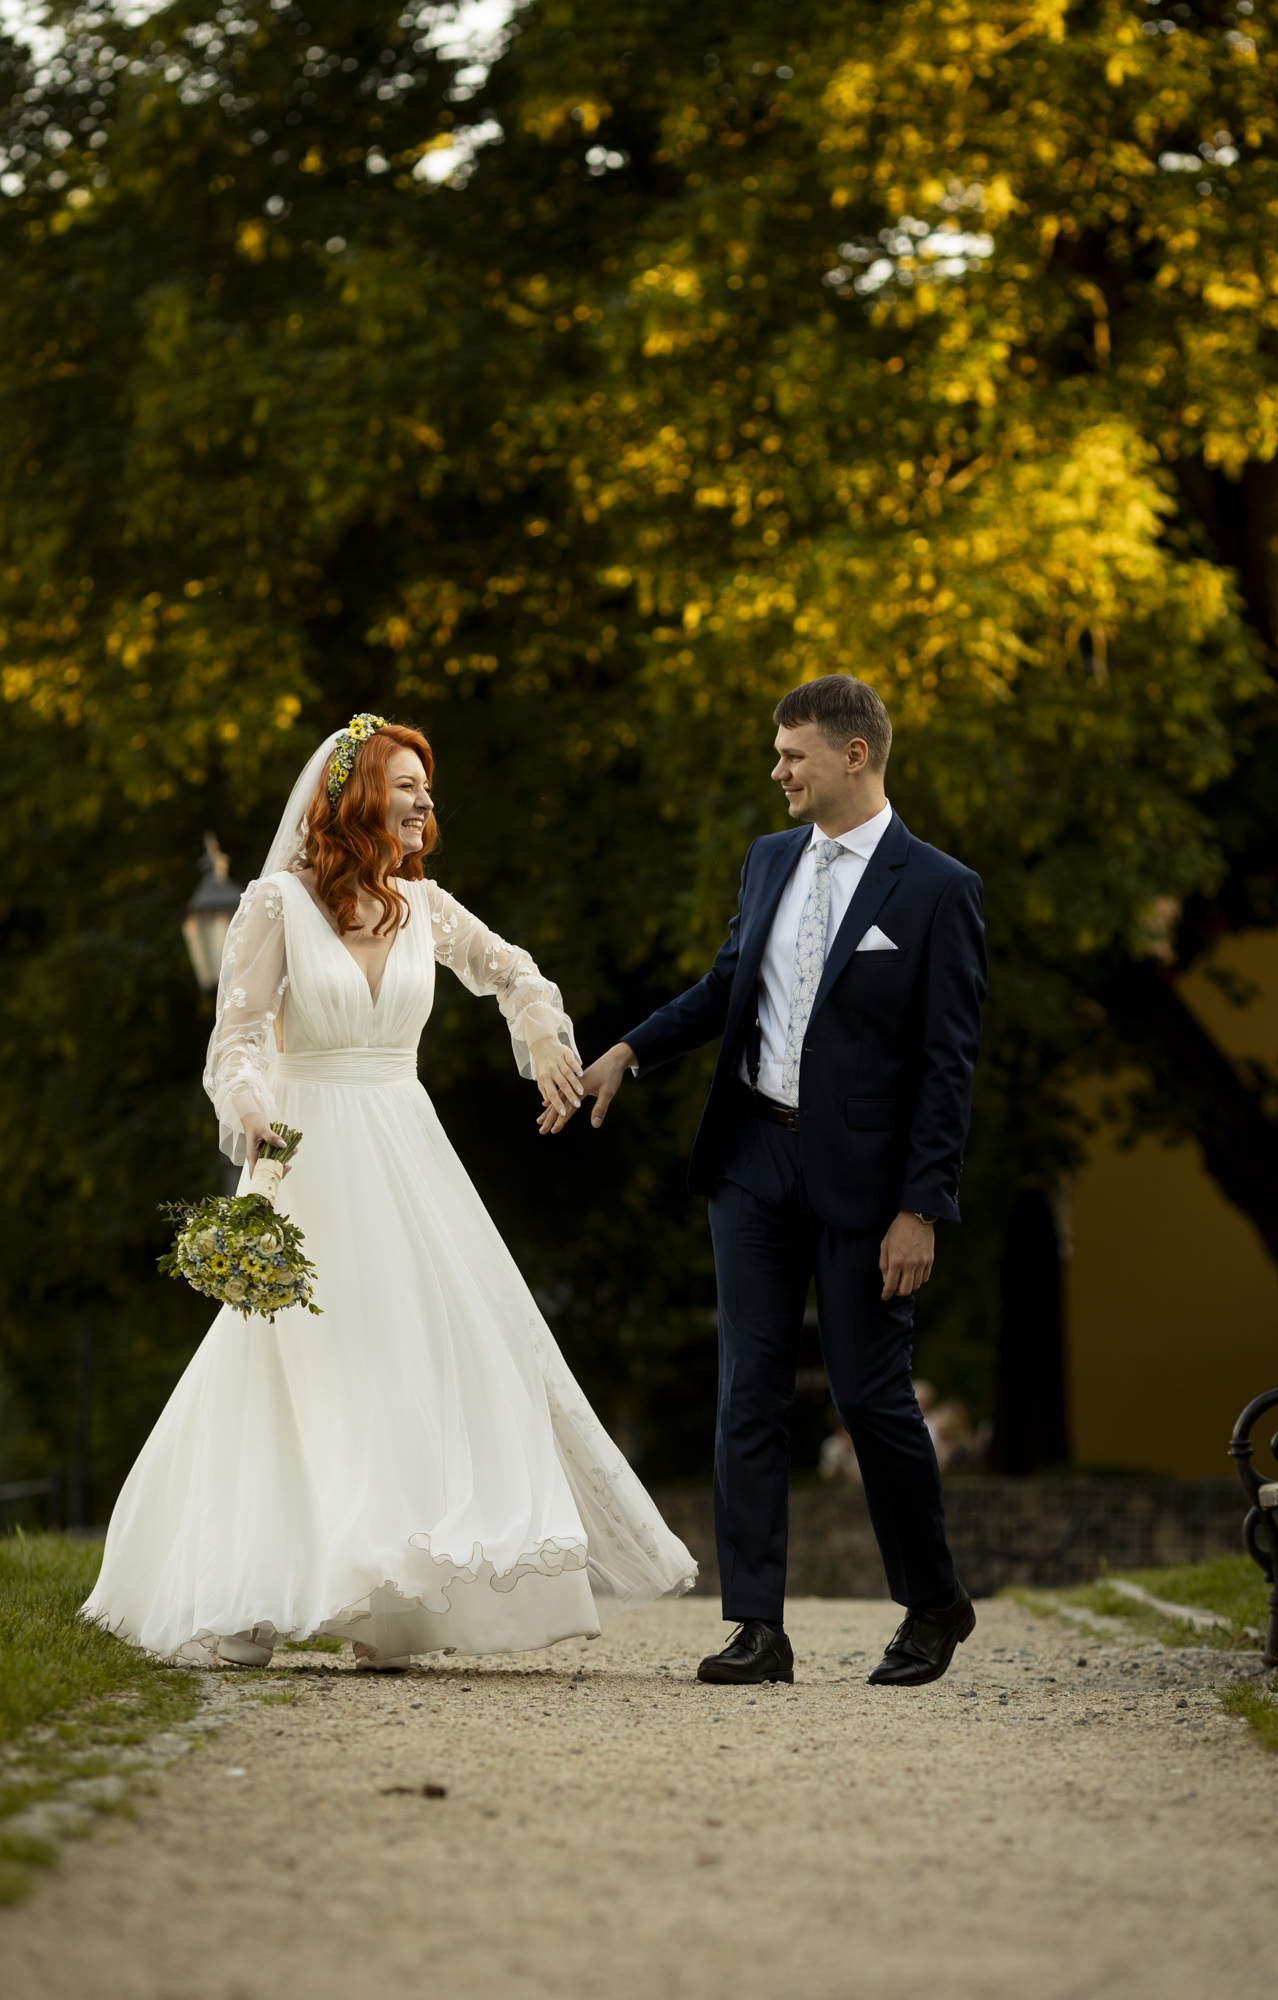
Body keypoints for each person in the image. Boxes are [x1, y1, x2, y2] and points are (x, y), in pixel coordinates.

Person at [84, 717, 696, 1667]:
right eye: (405, 784)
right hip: (308, 1148)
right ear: (355, 796)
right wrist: (250, 1109)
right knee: (294, 1363)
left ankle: (389, 1600)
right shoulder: (275, 904)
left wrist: (542, 1039)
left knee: (415, 1353)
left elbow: (514, 973)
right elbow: (236, 1040)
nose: (423, 802)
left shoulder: (424, 904)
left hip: (407, 1151)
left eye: (426, 787)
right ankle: (245, 1595)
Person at [556, 675, 986, 1688]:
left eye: (792, 754)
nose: (776, 771)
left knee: (869, 1396)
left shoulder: (937, 888)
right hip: (752, 1157)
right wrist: (628, 1050)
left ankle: (933, 1601)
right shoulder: (767, 859)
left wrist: (920, 1205)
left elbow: (947, 1065)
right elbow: (726, 983)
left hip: (868, 1183)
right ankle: (757, 1626)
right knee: (746, 1390)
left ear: (853, 754)